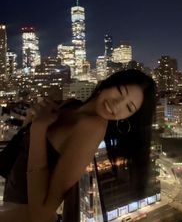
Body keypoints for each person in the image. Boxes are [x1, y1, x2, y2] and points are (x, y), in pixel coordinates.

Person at [0, 69, 157, 222]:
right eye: (120, 91)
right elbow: (24, 151)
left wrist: (38, 129)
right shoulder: (70, 105)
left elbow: (41, 214)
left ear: (128, 117)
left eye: (129, 108)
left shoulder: (93, 127)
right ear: (107, 84)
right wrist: (31, 120)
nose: (117, 105)